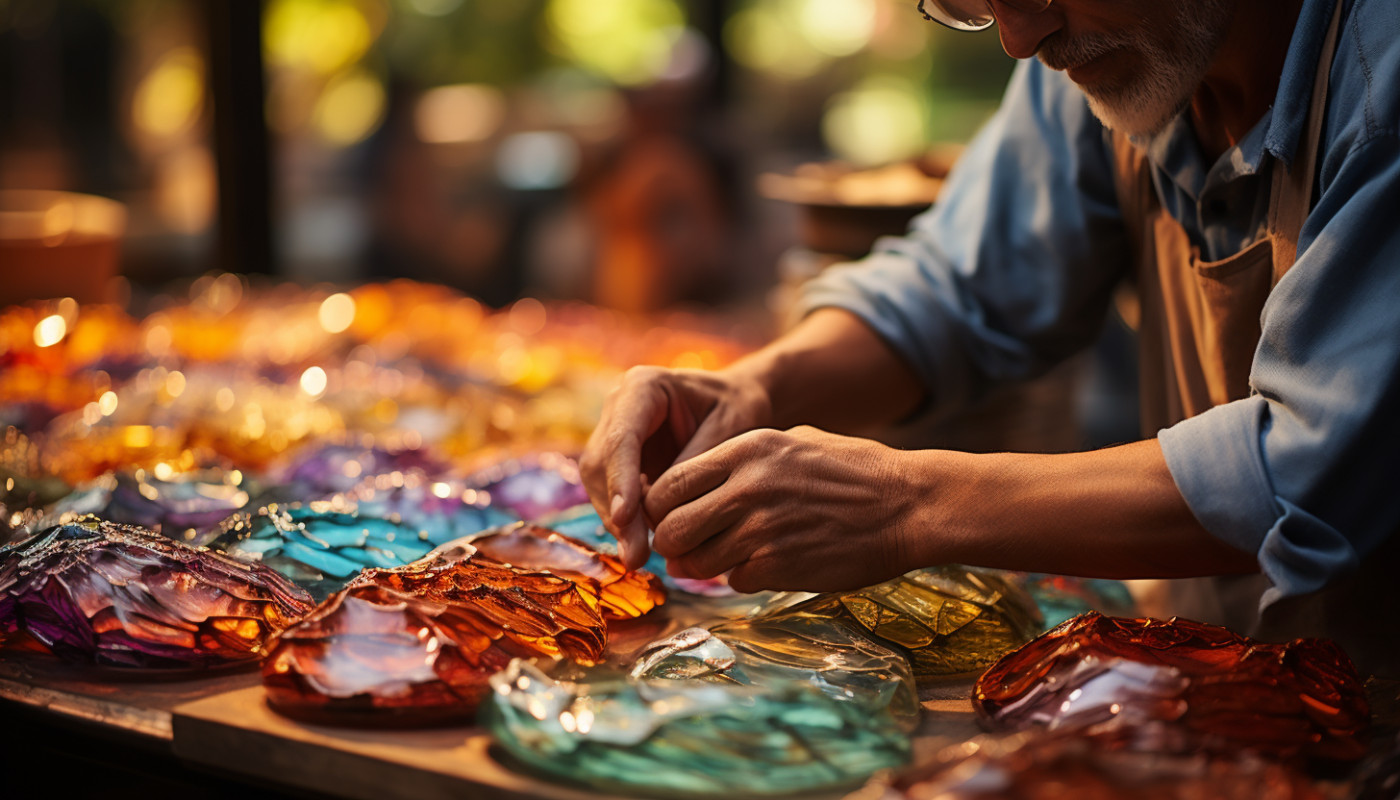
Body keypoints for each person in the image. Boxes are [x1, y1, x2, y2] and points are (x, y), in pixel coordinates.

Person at [580, 0, 1400, 677]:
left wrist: (909, 504)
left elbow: (1312, 471)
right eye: (967, 3)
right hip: (1231, 691)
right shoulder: (1112, 43)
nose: (1019, 36)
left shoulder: (1381, 74)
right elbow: (956, 287)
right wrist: (757, 385)